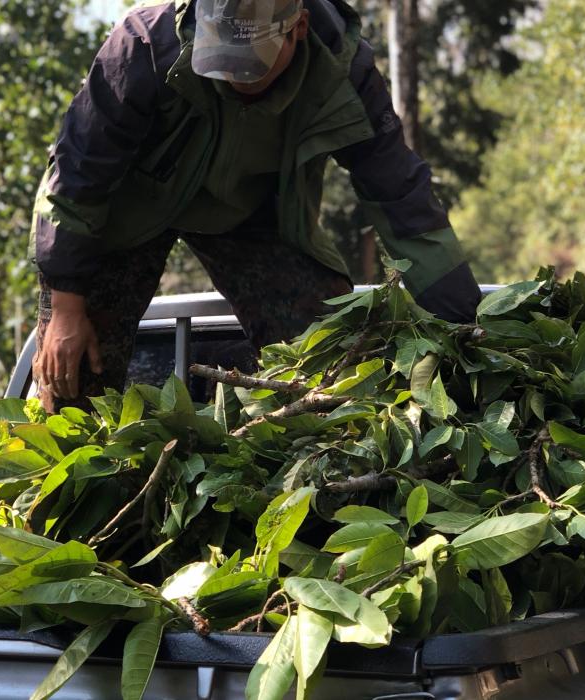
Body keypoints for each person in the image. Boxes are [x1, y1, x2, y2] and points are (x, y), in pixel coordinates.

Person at [30, 0, 480, 412]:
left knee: (329, 355)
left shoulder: (342, 71)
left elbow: (402, 198)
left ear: (298, 28)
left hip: (250, 213)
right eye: (221, 59)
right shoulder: (144, 47)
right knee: (70, 378)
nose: (232, 75)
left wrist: (465, 326)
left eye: (248, 65)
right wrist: (67, 306)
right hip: (119, 217)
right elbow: (76, 176)